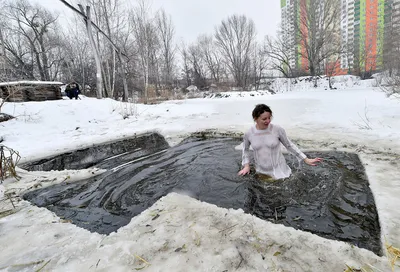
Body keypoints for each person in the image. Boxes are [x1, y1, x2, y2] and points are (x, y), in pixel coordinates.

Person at [238, 104, 322, 180]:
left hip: (280, 172)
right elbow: (245, 150)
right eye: (264, 119)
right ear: (256, 119)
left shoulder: (277, 129)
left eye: (269, 117)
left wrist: (305, 159)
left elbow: (289, 146)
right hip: (261, 172)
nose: (268, 121)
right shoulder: (249, 133)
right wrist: (246, 166)